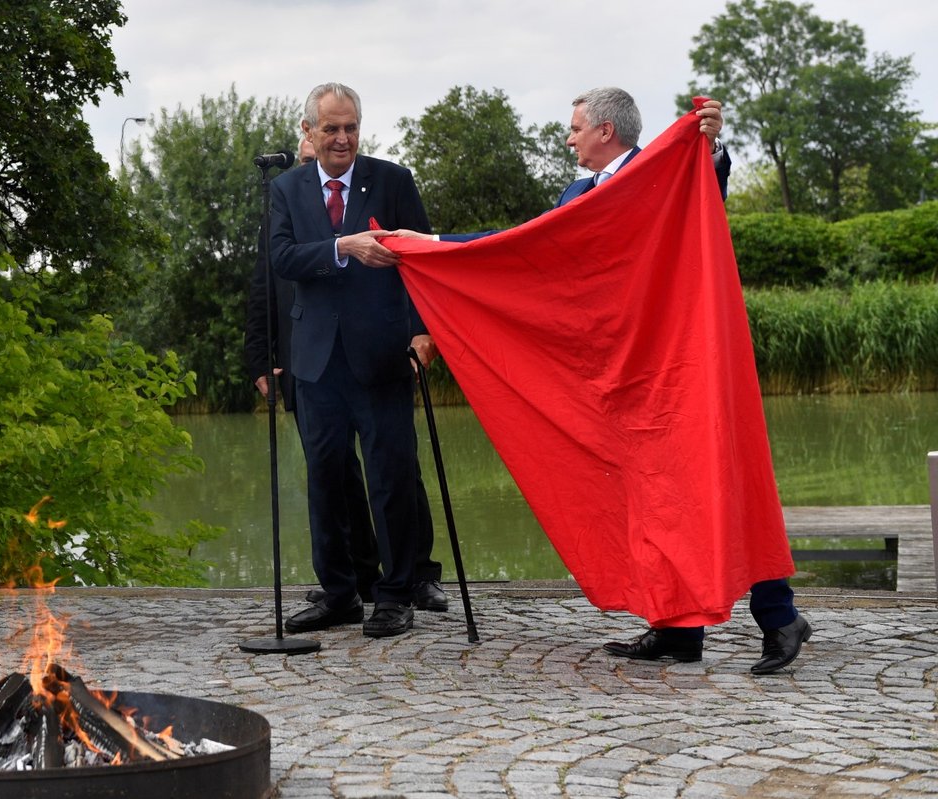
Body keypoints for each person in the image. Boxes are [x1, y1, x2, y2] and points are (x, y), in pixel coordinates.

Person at [389, 87, 810, 674]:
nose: (568, 138)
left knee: (721, 482)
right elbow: (526, 254)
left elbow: (704, 195)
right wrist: (428, 248)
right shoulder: (574, 194)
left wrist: (709, 148)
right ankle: (678, 628)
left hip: (674, 369)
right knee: (647, 498)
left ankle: (780, 614)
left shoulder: (662, 173)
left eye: (575, 127)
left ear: (606, 131)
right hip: (613, 380)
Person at [244, 138, 449, 612]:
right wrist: (341, 247)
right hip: (313, 361)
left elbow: (424, 259)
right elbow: (275, 265)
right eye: (331, 128)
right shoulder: (285, 189)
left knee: (392, 476)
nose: (342, 137)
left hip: (381, 354)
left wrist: (426, 331)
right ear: (311, 133)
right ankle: (340, 593)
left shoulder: (392, 180)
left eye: (351, 126)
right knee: (326, 480)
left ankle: (399, 592)